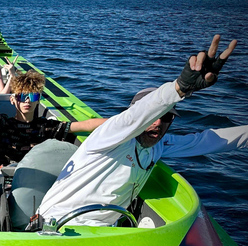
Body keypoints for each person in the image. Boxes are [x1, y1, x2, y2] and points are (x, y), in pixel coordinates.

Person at [37, 35, 244, 227]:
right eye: (153, 117)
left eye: (167, 117)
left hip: (102, 233)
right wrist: (179, 88)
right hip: (57, 224)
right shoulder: (110, 136)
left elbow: (206, 141)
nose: (158, 122)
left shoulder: (158, 145)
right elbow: (136, 116)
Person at [0, 70, 105, 167]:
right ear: (13, 100)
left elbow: (86, 125)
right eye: (22, 96)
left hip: (33, 178)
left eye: (33, 96)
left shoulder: (46, 126)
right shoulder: (4, 123)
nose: (27, 100)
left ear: (38, 100)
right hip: (5, 176)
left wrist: (121, 121)